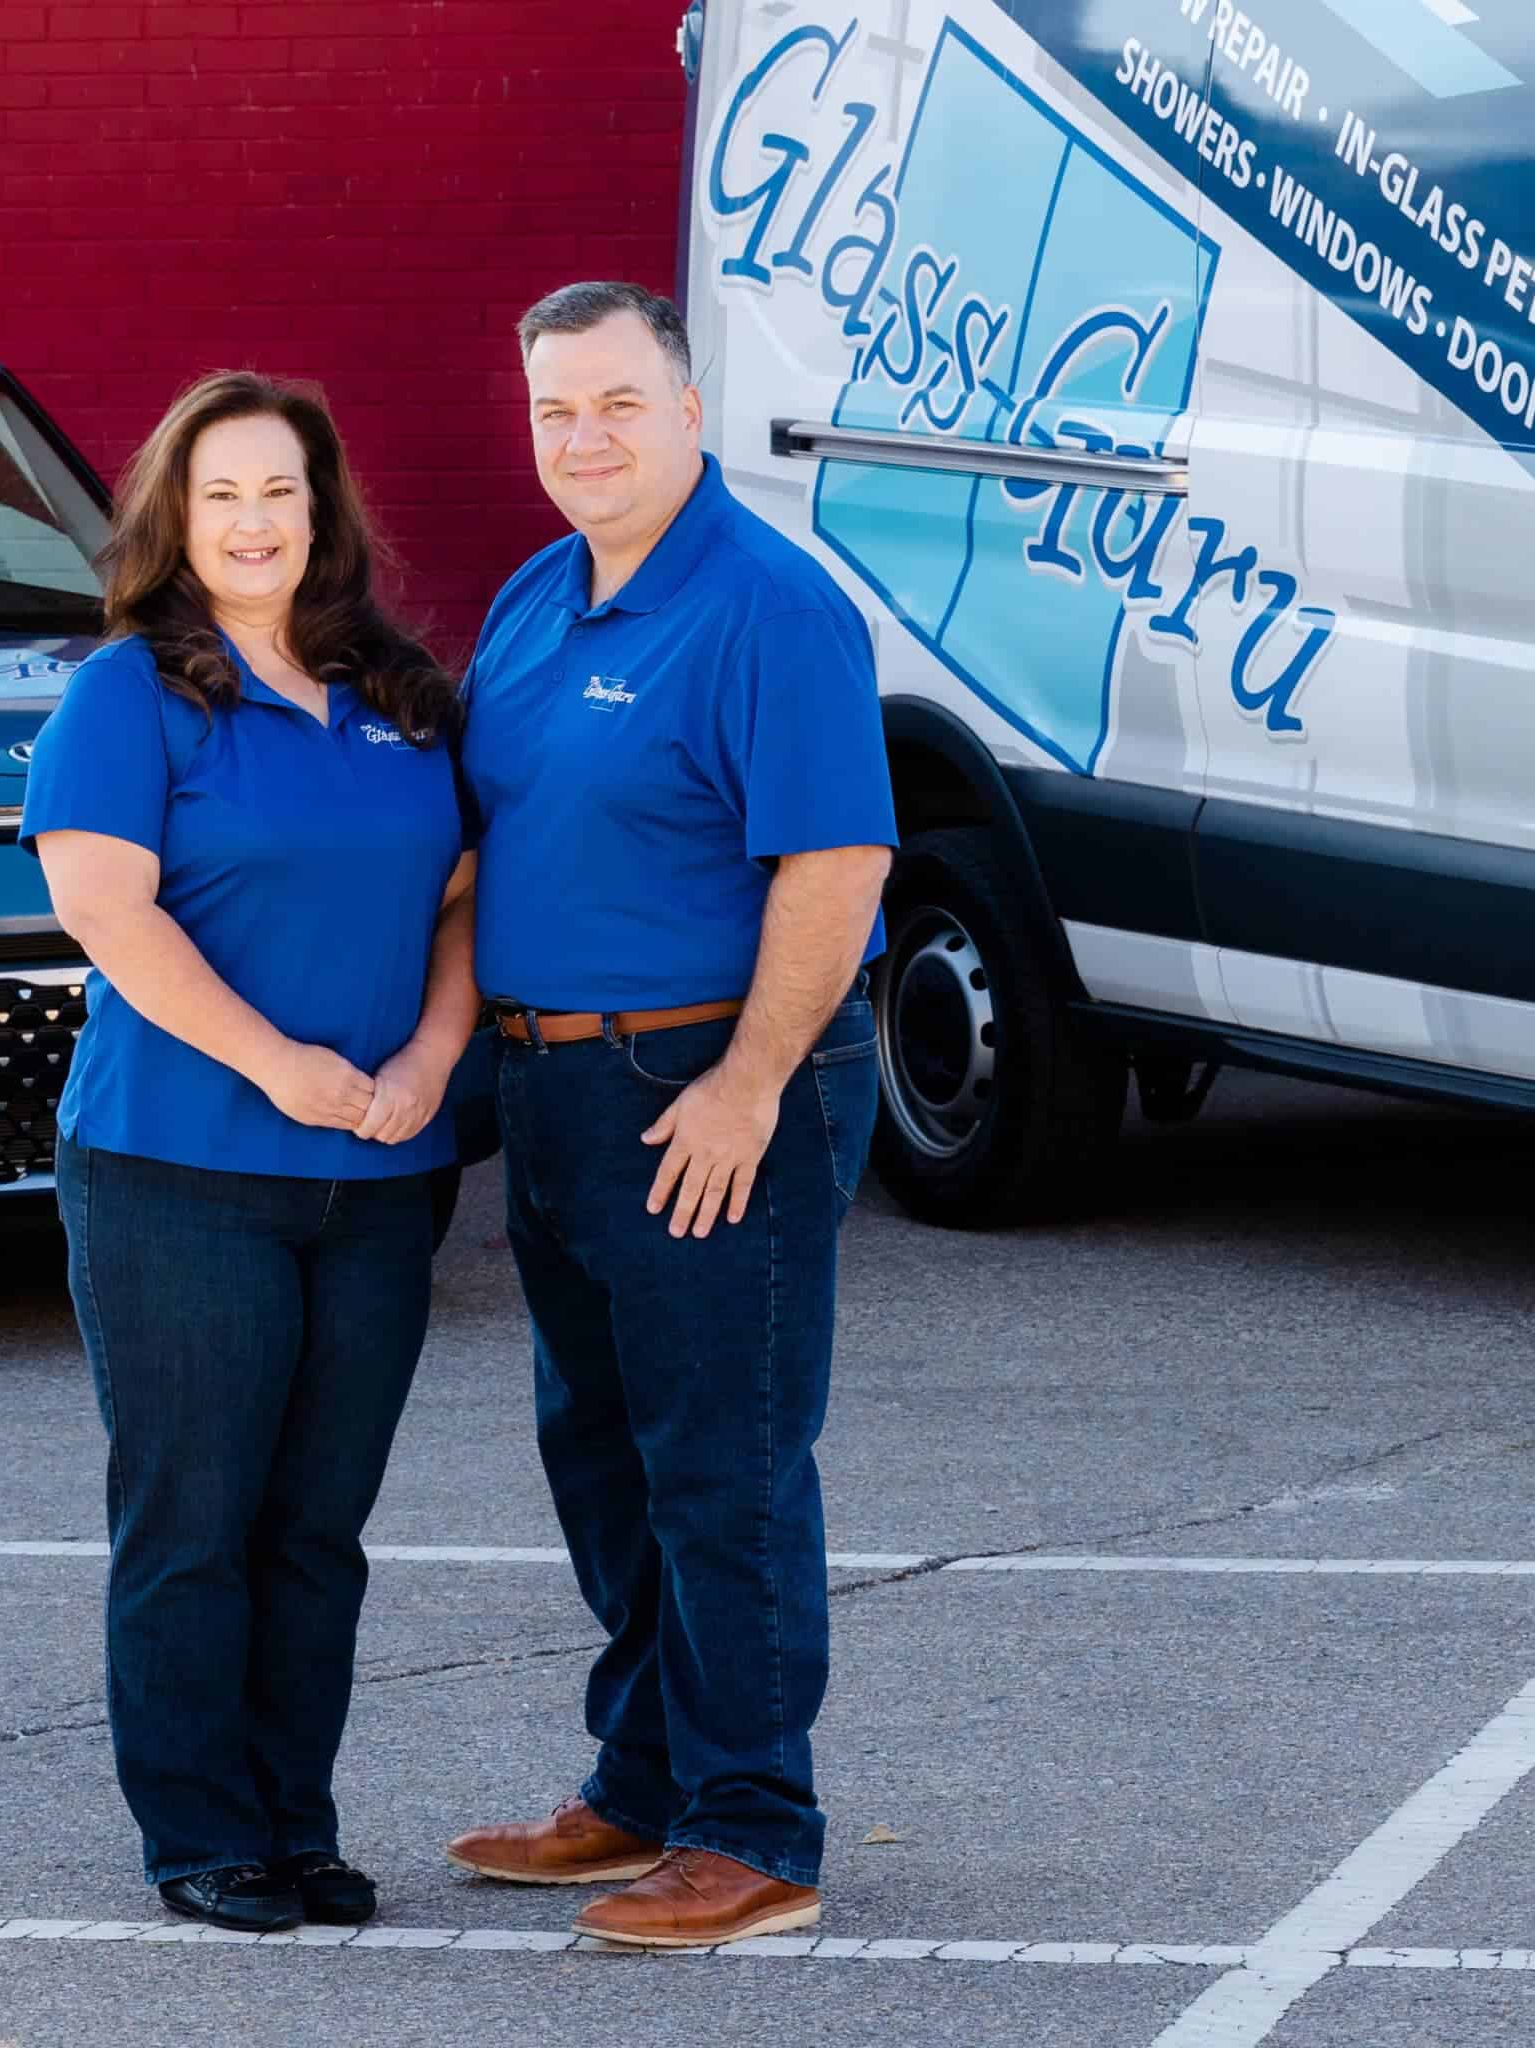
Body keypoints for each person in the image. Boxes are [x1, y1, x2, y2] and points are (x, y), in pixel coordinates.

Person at [444, 283, 897, 1947]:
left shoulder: (769, 606)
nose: (585, 438)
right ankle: (639, 1787)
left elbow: (837, 865)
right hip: (554, 1084)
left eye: (620, 403)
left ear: (690, 409)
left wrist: (751, 1084)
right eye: (557, 407)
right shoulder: (536, 600)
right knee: (603, 1455)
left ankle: (754, 1825)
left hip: (706, 1088)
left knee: (723, 1463)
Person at [21, 371, 476, 1934]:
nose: (254, 521)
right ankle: (203, 1835)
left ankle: (299, 1822)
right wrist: (280, 1064)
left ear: (323, 509)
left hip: (378, 1181)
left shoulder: (405, 693)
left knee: (316, 1530)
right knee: (195, 1519)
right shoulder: (127, 695)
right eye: (222, 494)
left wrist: (428, 1058)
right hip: (179, 1173)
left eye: (280, 491)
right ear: (175, 516)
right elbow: (106, 910)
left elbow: (466, 905)